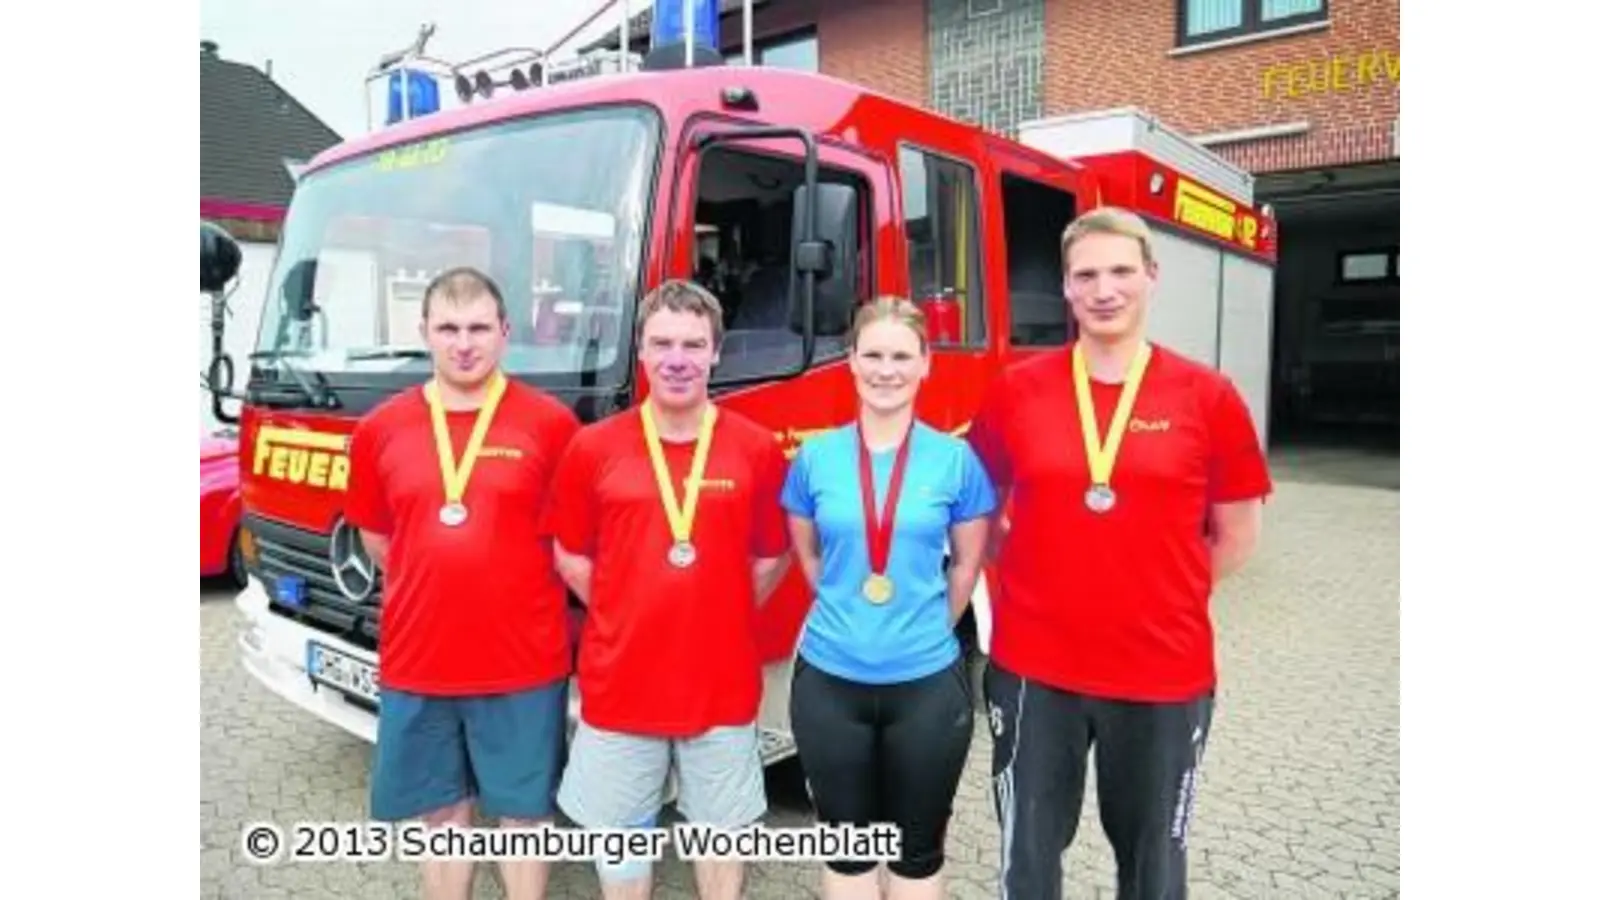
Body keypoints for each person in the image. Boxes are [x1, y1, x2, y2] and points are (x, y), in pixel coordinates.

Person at [966, 207, 1273, 900]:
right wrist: (1032, 573)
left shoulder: (1209, 396)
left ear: (1151, 278)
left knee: (1154, 869)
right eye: (1086, 275)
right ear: (1067, 289)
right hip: (1035, 670)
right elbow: (978, 511)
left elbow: (1237, 534)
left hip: (1162, 670)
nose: (1104, 289)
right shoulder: (1018, 390)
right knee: (1028, 864)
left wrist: (1159, 588)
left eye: (1121, 271)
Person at [542, 278, 791, 900]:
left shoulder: (755, 449)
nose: (677, 358)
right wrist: (629, 610)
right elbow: (569, 553)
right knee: (622, 842)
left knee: (721, 838)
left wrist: (718, 611)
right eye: (662, 343)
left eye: (692, 344)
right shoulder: (592, 447)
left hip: (722, 687)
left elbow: (772, 553)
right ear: (642, 351)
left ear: (715, 353)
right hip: (621, 685)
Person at [343, 267, 580, 900]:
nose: (464, 343)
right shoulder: (380, 430)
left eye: (478, 327)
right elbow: (380, 539)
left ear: (505, 333)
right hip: (421, 661)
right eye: (448, 328)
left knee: (524, 819)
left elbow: (573, 542)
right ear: (424, 333)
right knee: (442, 818)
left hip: (524, 664)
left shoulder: (551, 426)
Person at [781, 297, 995, 900]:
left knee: (916, 853)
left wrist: (922, 630)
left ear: (926, 364)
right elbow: (812, 559)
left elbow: (965, 567)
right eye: (872, 354)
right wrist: (850, 615)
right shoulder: (816, 458)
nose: (886, 369)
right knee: (848, 855)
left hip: (926, 686)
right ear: (850, 361)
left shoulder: (956, 461)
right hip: (829, 682)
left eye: (902, 355)